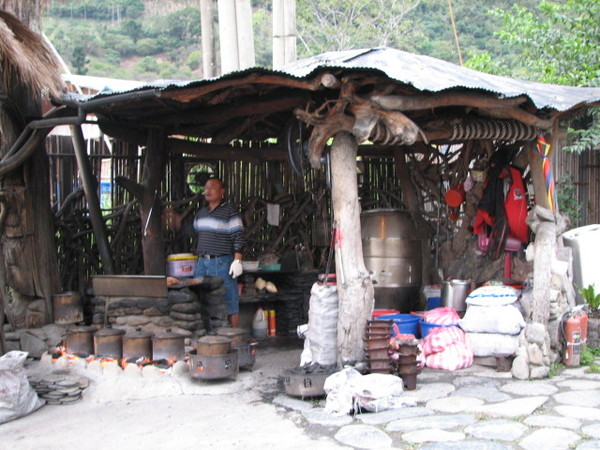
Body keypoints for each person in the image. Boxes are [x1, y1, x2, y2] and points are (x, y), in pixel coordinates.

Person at [164, 177, 245, 327]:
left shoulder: (229, 212)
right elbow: (194, 233)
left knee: (228, 298)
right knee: (200, 296)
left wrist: (237, 260)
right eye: (206, 188)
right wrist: (177, 222)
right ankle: (207, 331)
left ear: (222, 192)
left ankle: (234, 334)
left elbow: (238, 237)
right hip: (202, 262)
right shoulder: (201, 213)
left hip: (221, 262)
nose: (208, 190)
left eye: (212, 187)